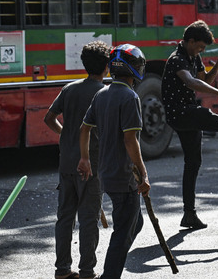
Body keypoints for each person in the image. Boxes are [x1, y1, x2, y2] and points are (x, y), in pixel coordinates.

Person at [77, 44, 151, 279]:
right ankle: (110, 274)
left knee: (134, 223)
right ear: (134, 69)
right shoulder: (130, 97)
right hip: (124, 177)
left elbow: (84, 128)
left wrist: (85, 158)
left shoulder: (102, 93)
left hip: (106, 174)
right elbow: (131, 140)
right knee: (122, 233)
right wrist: (143, 173)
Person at [161, 20, 218, 229]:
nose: (201, 51)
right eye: (200, 46)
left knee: (193, 162)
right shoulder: (177, 59)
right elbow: (190, 82)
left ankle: (189, 214)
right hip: (181, 113)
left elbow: (204, 80)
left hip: (188, 114)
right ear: (190, 40)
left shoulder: (193, 56)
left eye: (204, 49)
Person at [45, 41, 111, 279]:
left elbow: (49, 118)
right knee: (88, 219)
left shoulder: (69, 88)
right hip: (91, 164)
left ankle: (62, 270)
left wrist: (67, 134)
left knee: (64, 218)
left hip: (67, 163)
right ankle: (86, 270)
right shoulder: (104, 93)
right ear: (107, 67)